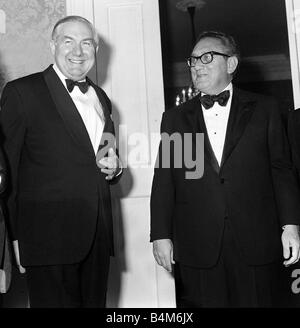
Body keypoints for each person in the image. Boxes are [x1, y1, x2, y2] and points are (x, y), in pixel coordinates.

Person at [150, 31, 300, 307]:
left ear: (231, 64)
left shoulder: (266, 109)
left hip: (257, 241)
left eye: (207, 57)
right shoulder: (176, 119)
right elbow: (166, 180)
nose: (197, 66)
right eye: (193, 60)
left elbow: (282, 170)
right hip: (198, 244)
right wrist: (160, 234)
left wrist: (291, 226)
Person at [0, 15, 121, 308]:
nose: (78, 52)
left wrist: (115, 169)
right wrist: (15, 239)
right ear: (53, 45)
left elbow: (104, 157)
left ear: (96, 50)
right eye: (68, 42)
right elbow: (7, 173)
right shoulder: (21, 92)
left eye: (86, 43)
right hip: (46, 241)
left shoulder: (102, 98)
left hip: (98, 237)